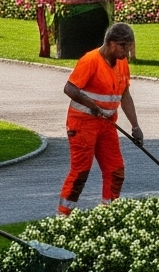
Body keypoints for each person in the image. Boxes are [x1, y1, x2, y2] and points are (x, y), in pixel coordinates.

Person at [57, 22, 144, 215]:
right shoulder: (90, 61)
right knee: (81, 172)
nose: (126, 52)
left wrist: (135, 126)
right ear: (111, 43)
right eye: (123, 46)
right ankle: (63, 216)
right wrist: (92, 105)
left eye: (129, 47)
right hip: (83, 123)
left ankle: (108, 213)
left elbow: (125, 95)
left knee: (116, 170)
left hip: (107, 124)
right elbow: (69, 89)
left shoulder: (122, 63)